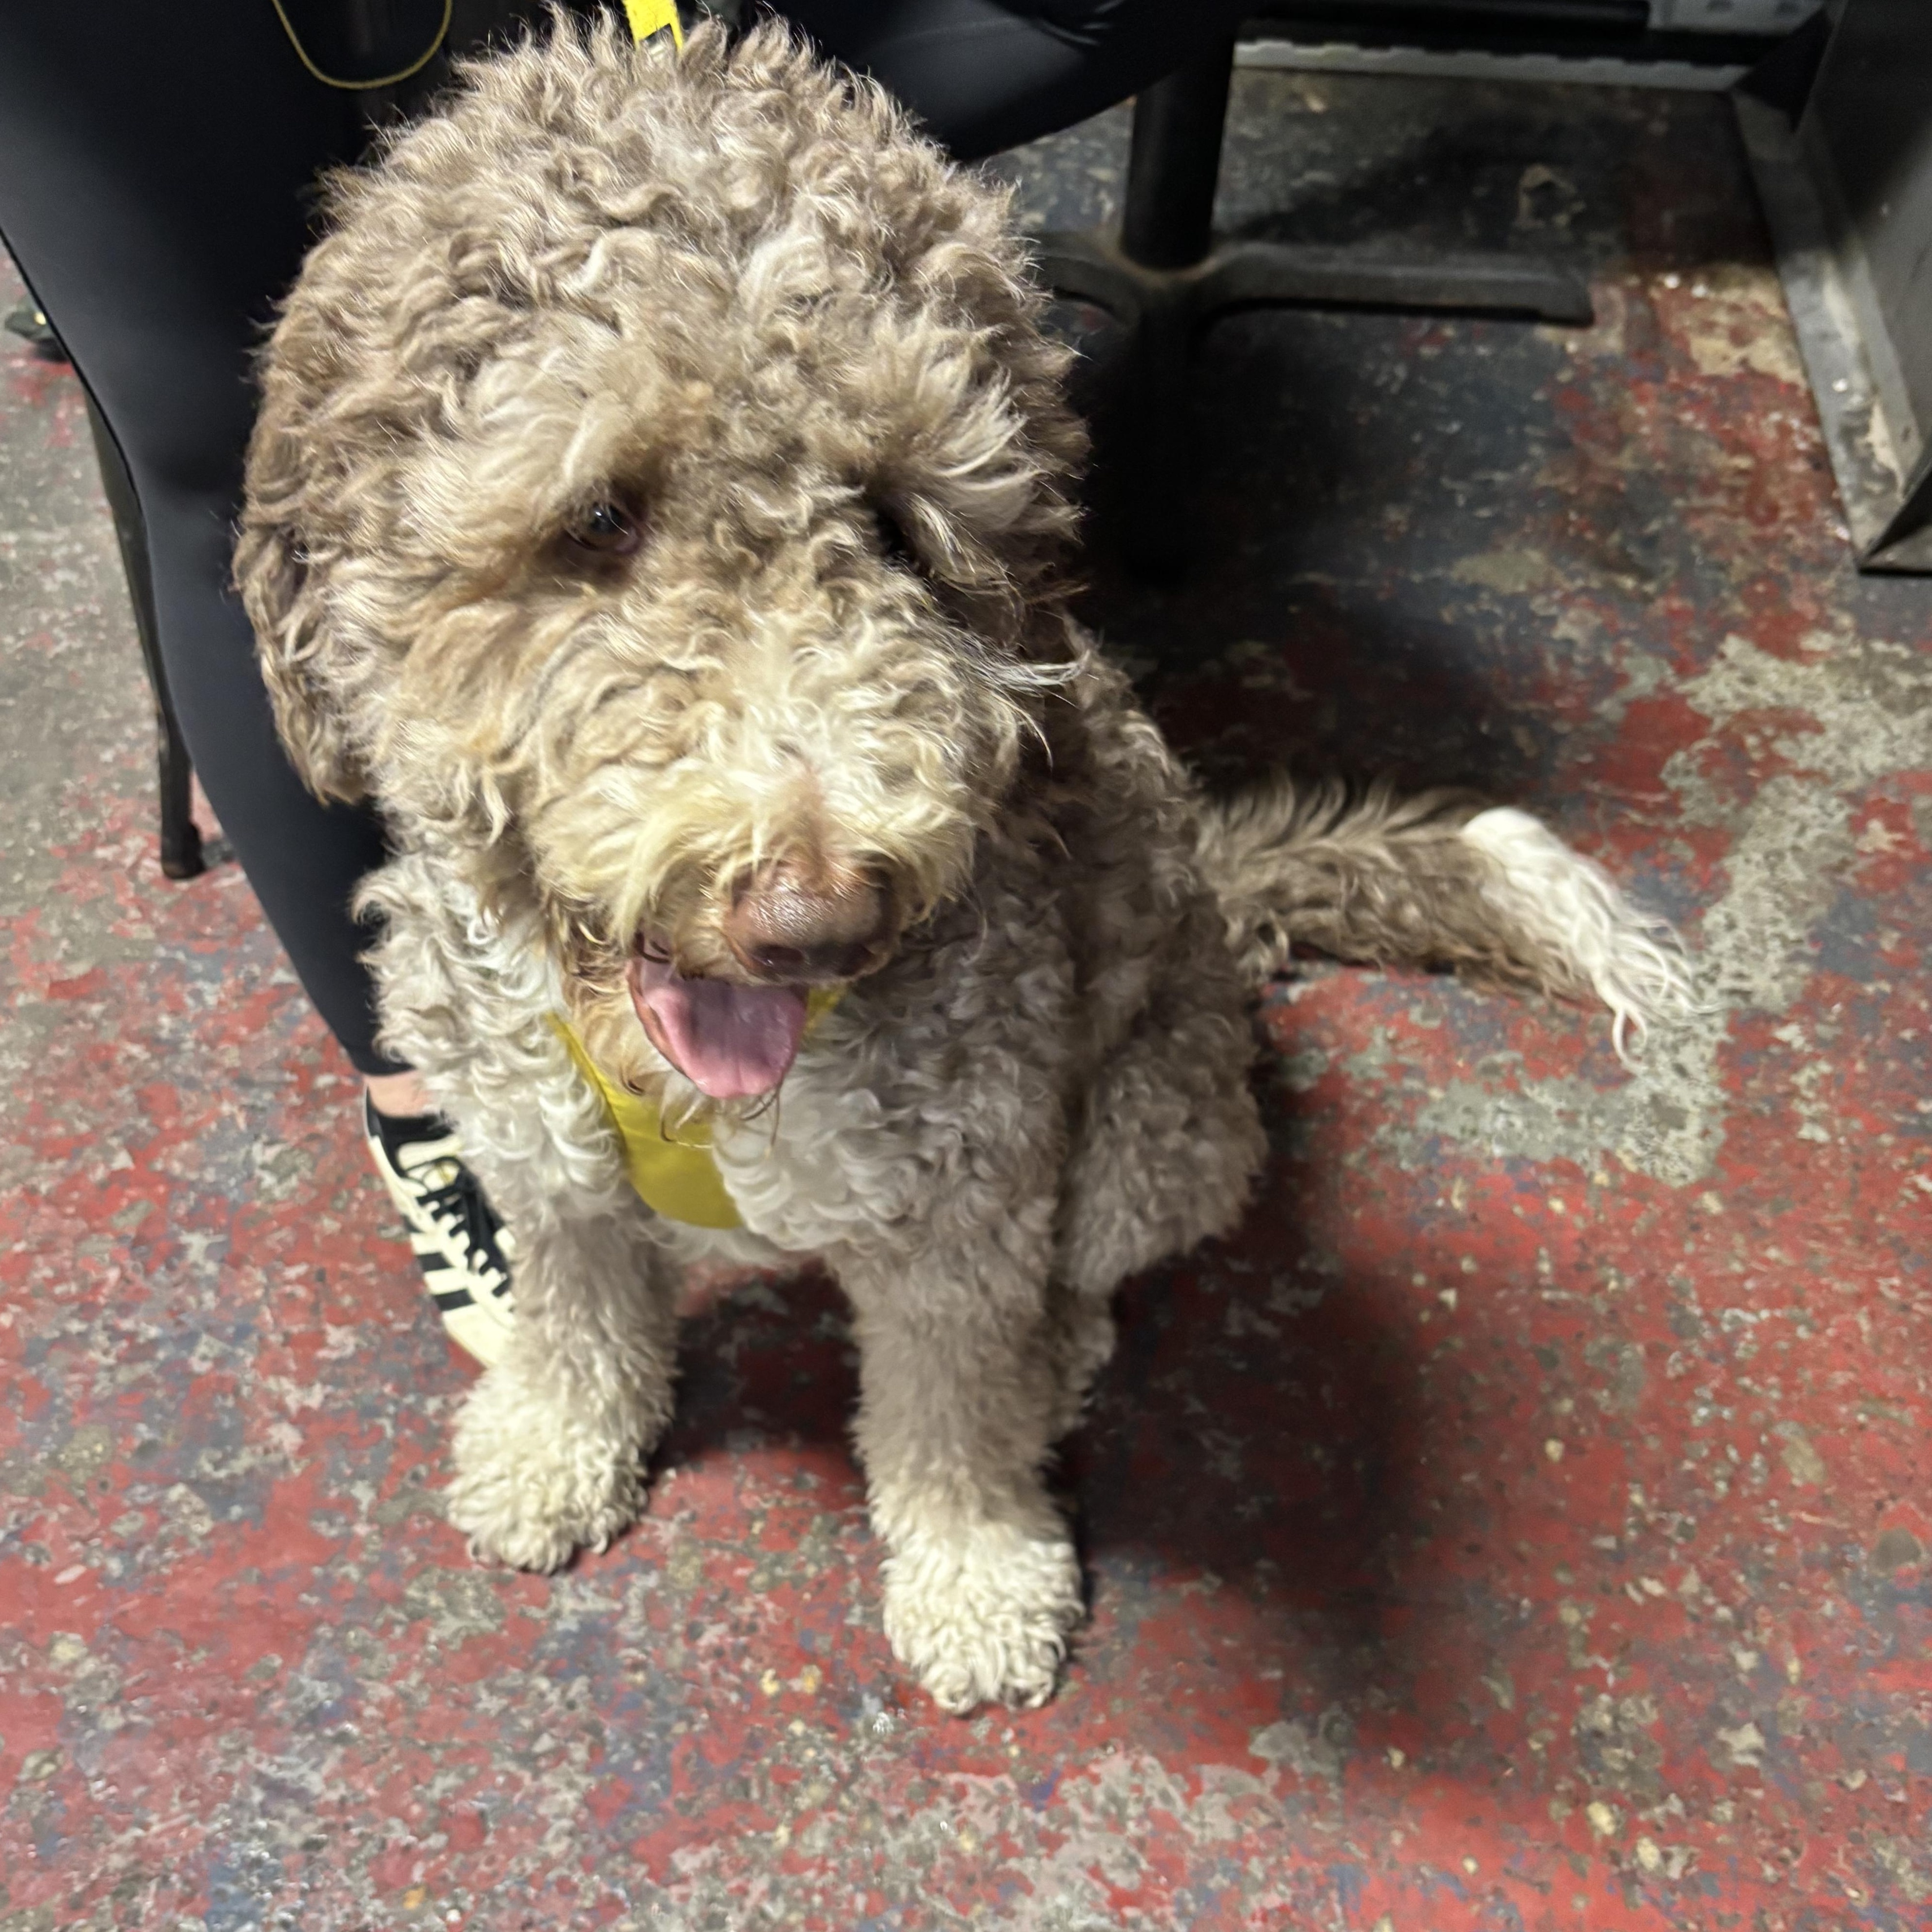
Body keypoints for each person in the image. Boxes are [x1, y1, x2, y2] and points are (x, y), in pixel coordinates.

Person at [0, 0, 1242, 1361]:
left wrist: (971, 1494)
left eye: (887, 531)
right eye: (599, 528)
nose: (817, 892)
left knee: (1079, 1215)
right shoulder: (360, 547)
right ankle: (565, 1342)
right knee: (549, 1178)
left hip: (1042, 1063)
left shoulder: (972, 813)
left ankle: (962, 1457)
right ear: (323, 581)